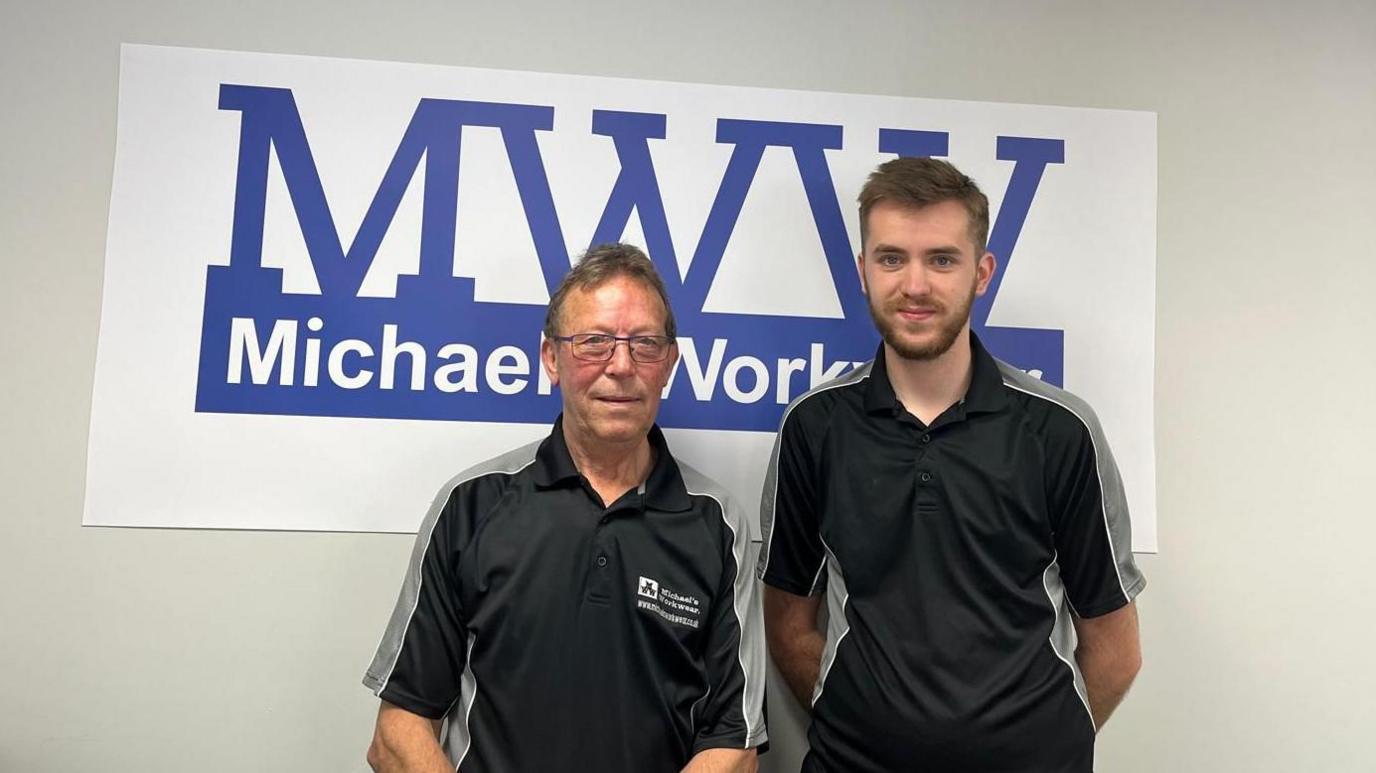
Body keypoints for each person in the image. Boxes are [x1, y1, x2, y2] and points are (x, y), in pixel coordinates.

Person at [759, 158, 1144, 772]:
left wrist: (1038, 743)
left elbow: (1115, 645)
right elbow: (787, 620)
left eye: (941, 259)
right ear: (862, 272)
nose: (915, 285)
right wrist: (861, 721)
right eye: (891, 258)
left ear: (981, 272)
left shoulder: (1060, 431)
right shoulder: (814, 427)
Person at [364, 243, 767, 773]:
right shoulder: (472, 506)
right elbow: (398, 732)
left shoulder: (717, 524)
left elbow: (733, 745)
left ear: (668, 363)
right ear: (552, 358)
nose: (621, 366)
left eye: (644, 343)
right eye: (594, 343)